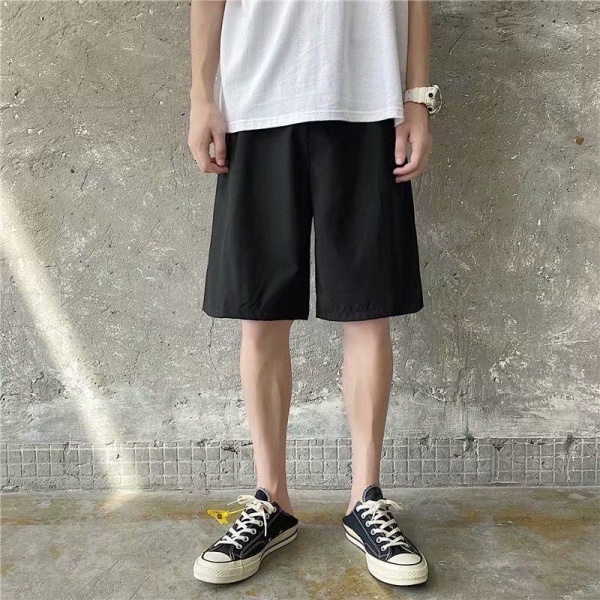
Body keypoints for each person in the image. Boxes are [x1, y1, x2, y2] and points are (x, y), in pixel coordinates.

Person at [188, 0, 441, 587]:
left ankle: (365, 498)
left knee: (369, 312)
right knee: (260, 316)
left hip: (368, 99)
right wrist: (202, 97)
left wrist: (417, 100)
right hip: (255, 100)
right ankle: (271, 499)